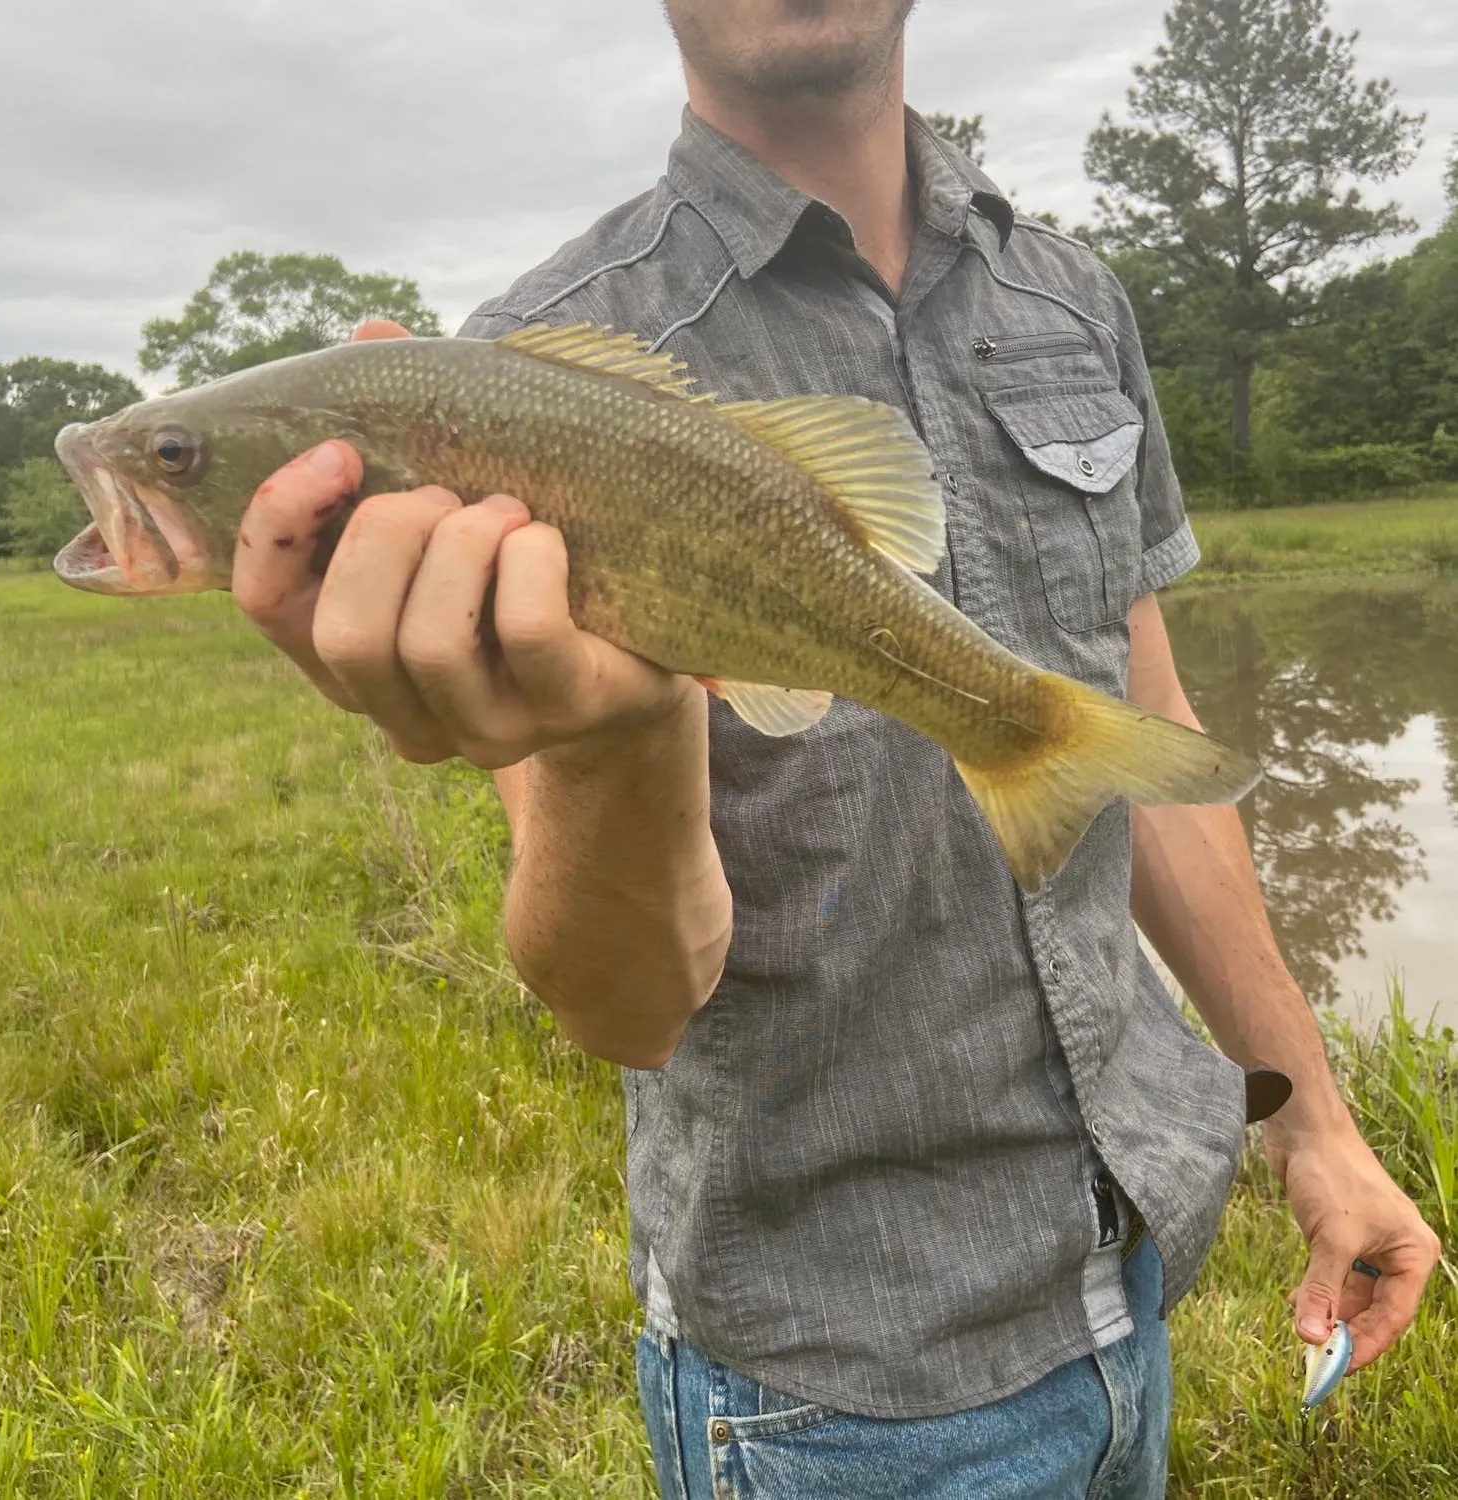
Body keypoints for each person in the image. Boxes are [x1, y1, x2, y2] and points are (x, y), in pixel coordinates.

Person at [229, 3, 1440, 1495]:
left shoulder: (1070, 297)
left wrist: (1313, 1128)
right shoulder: (532, 388)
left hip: (1134, 1285)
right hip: (835, 1404)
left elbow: (1148, 737)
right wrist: (616, 740)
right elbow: (621, 1004)